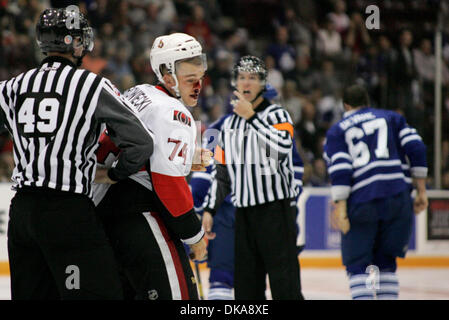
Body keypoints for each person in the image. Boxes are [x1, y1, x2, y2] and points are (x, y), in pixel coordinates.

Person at [0, 8, 154, 299]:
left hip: (21, 214)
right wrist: (116, 173)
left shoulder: (10, 87)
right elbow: (142, 142)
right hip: (67, 211)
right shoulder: (92, 85)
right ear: (76, 42)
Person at [93, 33, 210, 300]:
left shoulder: (138, 93)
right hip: (143, 218)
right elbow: (167, 182)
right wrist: (194, 235)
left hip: (108, 217)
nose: (198, 84)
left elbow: (147, 149)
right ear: (168, 76)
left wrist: (188, 154)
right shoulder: (174, 111)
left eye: (199, 74)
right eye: (189, 75)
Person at [202, 55, 304, 300]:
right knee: (247, 288)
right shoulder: (225, 126)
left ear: (263, 83)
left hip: (275, 211)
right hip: (243, 214)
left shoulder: (279, 115)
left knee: (285, 284)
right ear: (234, 83)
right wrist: (209, 209)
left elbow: (281, 149)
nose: (246, 83)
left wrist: (252, 118)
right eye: (241, 78)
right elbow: (222, 174)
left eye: (252, 78)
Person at [323, 84, 428, 300]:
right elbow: (416, 146)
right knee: (385, 264)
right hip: (398, 196)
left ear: (346, 105)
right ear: (368, 102)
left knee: (358, 265)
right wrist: (422, 191)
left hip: (363, 200)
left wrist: (341, 208)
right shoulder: (391, 117)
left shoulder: (337, 130)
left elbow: (341, 167)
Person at [190, 116, 305, 300]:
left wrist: (195, 212)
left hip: (228, 213)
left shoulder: (219, 126)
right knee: (274, 279)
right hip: (267, 213)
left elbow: (205, 175)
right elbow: (294, 170)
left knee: (223, 279)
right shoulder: (276, 124)